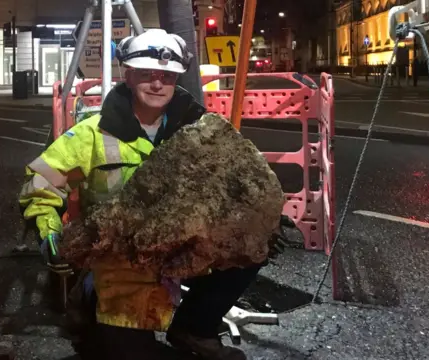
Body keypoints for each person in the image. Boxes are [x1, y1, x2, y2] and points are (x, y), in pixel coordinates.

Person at [19, 28, 264, 360]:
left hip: (180, 249)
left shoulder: (199, 131)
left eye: (166, 75)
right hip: (120, 259)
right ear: (128, 75)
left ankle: (195, 326)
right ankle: (88, 302)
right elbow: (44, 182)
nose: (157, 83)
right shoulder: (93, 136)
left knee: (255, 240)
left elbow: (237, 183)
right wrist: (48, 231)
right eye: (146, 74)